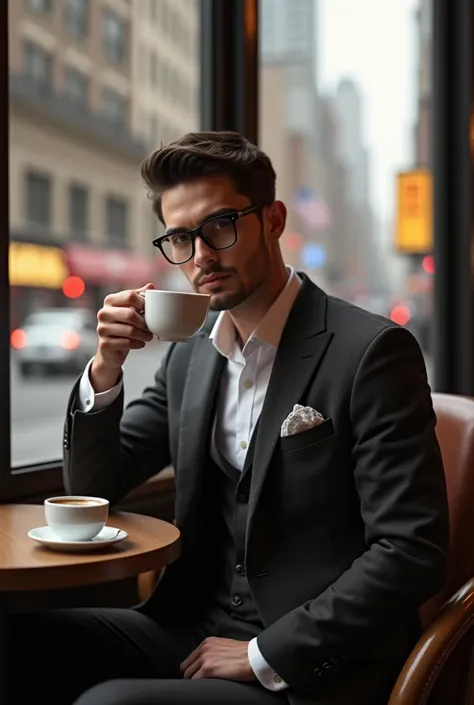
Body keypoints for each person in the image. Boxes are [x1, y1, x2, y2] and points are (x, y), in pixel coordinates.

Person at [8, 131, 449, 705]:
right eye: (181, 238)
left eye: (220, 226)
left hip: (306, 664)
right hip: (188, 627)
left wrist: (265, 654)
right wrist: (105, 366)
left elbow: (412, 551)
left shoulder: (371, 352)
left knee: (110, 703)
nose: (201, 257)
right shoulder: (190, 356)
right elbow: (93, 486)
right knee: (16, 645)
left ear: (273, 220)